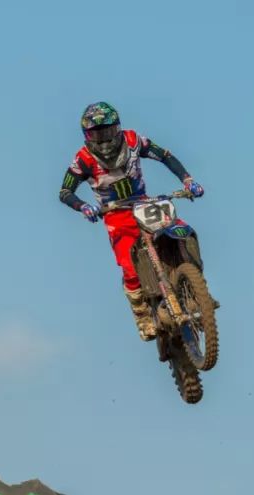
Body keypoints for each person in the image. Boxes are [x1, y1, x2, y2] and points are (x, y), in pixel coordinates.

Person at [59, 101, 204, 341]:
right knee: (129, 264)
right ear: (87, 136)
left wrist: (188, 180)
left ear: (117, 128)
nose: (104, 139)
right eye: (97, 134)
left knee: (182, 231)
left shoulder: (134, 141)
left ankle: (198, 287)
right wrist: (83, 206)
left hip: (144, 203)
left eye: (108, 131)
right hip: (115, 213)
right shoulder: (83, 159)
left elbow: (165, 156)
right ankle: (142, 315)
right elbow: (65, 192)